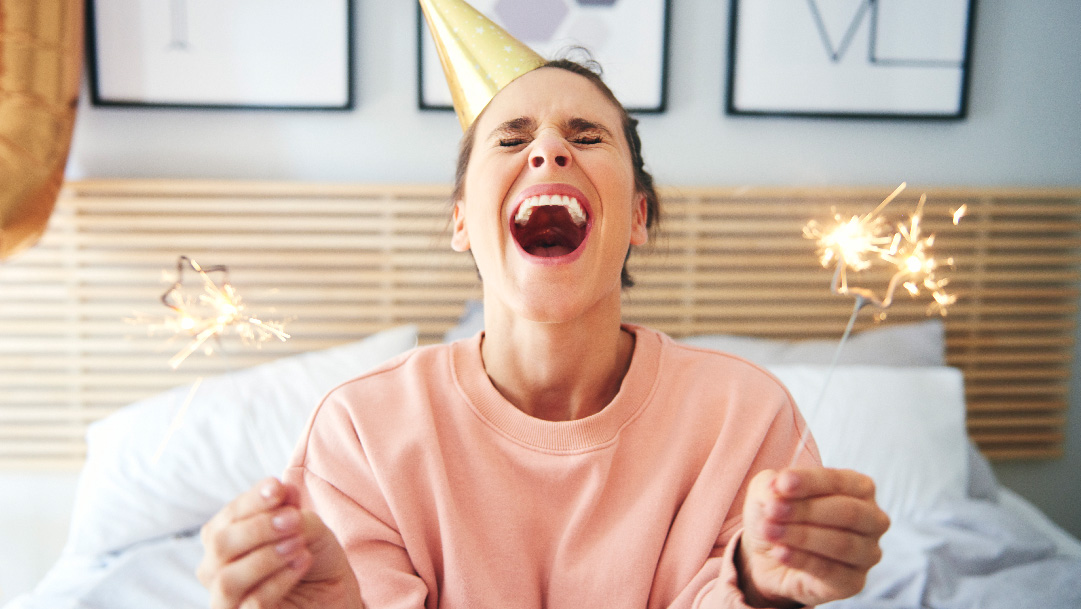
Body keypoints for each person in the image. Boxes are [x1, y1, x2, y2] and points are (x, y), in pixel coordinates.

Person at [197, 3, 889, 608]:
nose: (549, 149)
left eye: (586, 136)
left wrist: (760, 586)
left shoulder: (746, 413)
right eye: (510, 137)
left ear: (638, 215)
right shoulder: (359, 429)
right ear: (462, 220)